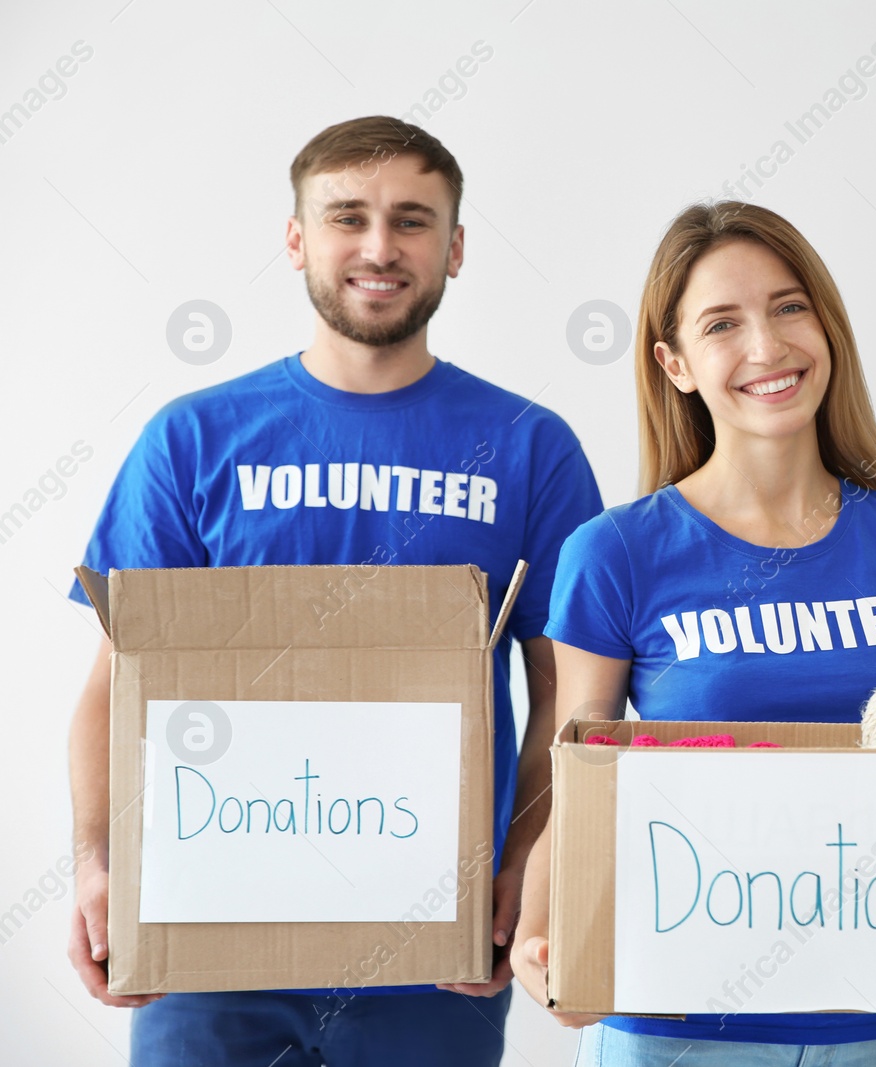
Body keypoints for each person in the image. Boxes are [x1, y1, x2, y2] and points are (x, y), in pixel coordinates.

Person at [65, 116, 602, 1066]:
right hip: (209, 946)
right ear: (297, 238)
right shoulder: (193, 439)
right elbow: (116, 679)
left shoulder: (529, 447)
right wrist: (98, 863)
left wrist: (528, 863)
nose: (379, 247)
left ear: (456, 246)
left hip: (435, 950)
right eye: (347, 216)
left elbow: (567, 694)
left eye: (412, 220)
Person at [509, 200, 876, 1065]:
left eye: (789, 306)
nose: (767, 347)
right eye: (722, 323)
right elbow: (580, 784)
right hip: (673, 1026)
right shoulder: (614, 553)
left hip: (868, 1021)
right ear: (676, 363)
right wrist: (542, 937)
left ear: (828, 327)